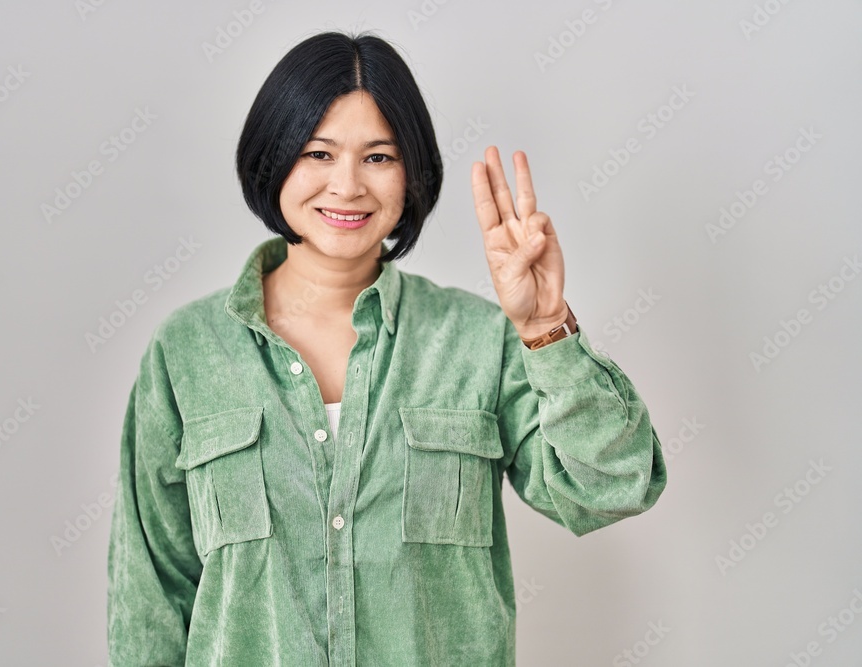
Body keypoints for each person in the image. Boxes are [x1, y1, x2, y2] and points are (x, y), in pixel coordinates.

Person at [107, 29, 666, 666]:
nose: (347, 186)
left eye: (378, 157)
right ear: (273, 157)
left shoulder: (476, 341)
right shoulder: (188, 351)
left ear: (411, 175)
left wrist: (546, 327)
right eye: (318, 154)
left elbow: (611, 488)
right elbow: (151, 599)